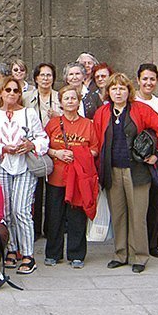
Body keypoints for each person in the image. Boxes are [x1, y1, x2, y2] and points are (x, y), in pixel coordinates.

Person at [93, 72, 158, 273]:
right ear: (108, 92)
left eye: (122, 88)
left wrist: (157, 154)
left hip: (137, 171)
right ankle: (121, 254)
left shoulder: (141, 109)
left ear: (129, 91)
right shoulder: (102, 113)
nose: (118, 92)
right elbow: (97, 141)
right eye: (114, 88)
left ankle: (139, 256)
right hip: (113, 170)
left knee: (138, 215)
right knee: (118, 214)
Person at [0, 78, 50, 274]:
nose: (11, 93)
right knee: (5, 211)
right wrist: (3, 148)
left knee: (21, 210)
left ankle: (28, 254)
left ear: (20, 93)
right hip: (1, 165)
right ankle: (11, 249)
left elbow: (42, 138)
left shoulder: (29, 113)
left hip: (24, 166)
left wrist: (31, 145)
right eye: (8, 90)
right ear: (1, 92)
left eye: (15, 90)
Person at [44, 84, 101, 268]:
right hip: (57, 177)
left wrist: (77, 155)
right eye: (66, 98)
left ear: (78, 101)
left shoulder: (87, 125)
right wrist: (57, 153)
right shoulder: (53, 124)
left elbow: (95, 149)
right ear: (61, 102)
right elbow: (43, 146)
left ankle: (76, 254)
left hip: (78, 179)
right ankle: (53, 253)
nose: (70, 101)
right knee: (55, 216)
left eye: (73, 98)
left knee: (77, 217)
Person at [135, 63, 158, 257]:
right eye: (145, 78)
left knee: (154, 201)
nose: (148, 82)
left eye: (152, 79)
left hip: (153, 158)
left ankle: (152, 243)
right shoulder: (131, 100)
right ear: (138, 80)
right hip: (134, 159)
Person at [24, 63, 60, 127]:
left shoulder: (61, 97)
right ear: (36, 79)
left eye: (49, 75)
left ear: (53, 79)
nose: (45, 78)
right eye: (42, 75)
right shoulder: (26, 97)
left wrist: (59, 117)